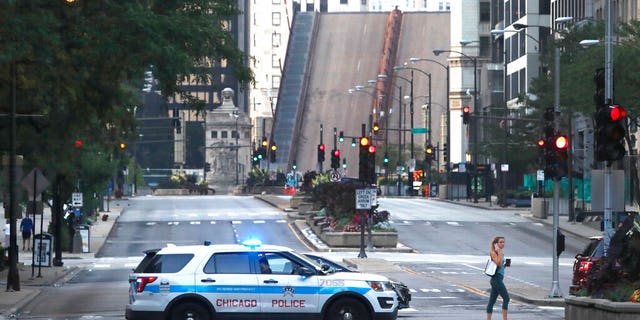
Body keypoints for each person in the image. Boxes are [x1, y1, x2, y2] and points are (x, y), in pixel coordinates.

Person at [487, 236, 510, 320]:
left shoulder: (501, 253)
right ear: (496, 244)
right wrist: (499, 252)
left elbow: (501, 267)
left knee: (491, 302)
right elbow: (498, 263)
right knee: (506, 298)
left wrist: (506, 265)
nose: (503, 244)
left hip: (498, 278)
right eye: (500, 242)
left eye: (503, 242)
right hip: (496, 279)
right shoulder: (494, 252)